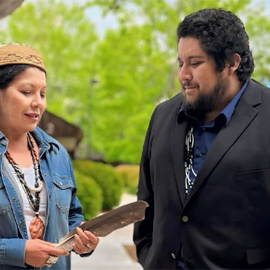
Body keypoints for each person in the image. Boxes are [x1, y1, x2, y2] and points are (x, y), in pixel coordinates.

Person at [133, 8, 270, 269]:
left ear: (232, 63)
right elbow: (146, 206)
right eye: (180, 63)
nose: (183, 75)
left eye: (195, 63)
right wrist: (150, 257)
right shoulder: (162, 116)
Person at [0, 44, 99, 269]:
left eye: (43, 94)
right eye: (26, 92)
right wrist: (18, 251)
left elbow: (72, 215)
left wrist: (82, 238)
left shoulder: (56, 153)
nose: (38, 102)